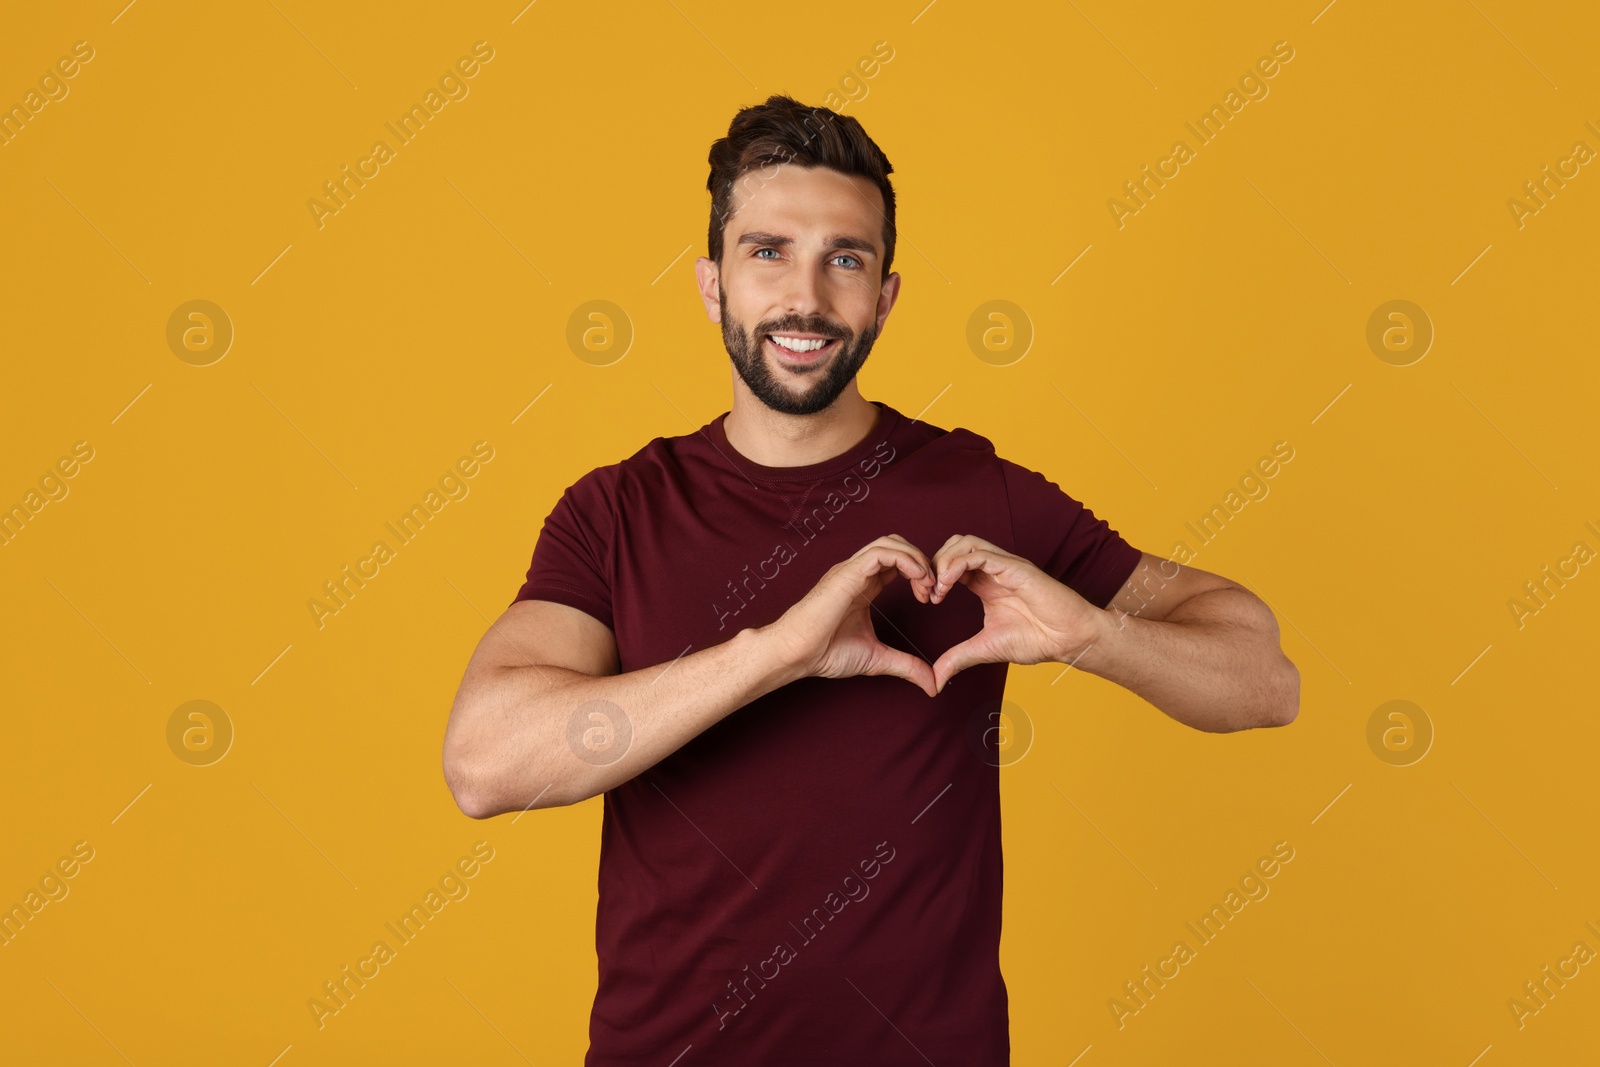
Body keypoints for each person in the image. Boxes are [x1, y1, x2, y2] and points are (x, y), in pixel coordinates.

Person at [441, 94, 1299, 1065]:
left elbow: (1263, 677)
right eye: (766, 251)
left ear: (884, 296)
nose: (804, 296)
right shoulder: (617, 511)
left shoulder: (981, 492)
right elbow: (484, 762)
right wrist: (777, 653)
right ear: (711, 283)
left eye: (843, 259)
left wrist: (1097, 635)